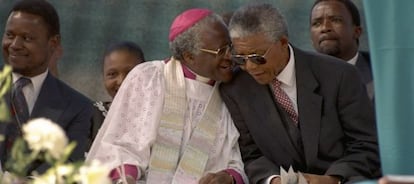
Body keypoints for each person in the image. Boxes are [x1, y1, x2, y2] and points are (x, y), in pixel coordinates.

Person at [220, 2, 380, 184]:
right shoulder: (236, 88)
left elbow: (366, 145)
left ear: (282, 42)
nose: (250, 67)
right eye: (240, 58)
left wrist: (333, 179)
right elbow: (250, 154)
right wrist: (273, 180)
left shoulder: (340, 75)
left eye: (258, 58)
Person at [87, 8, 247, 184]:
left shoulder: (233, 90)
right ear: (189, 56)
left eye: (230, 47)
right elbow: (121, 144)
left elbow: (236, 158)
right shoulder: (148, 78)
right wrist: (126, 177)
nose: (230, 56)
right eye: (221, 51)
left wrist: (228, 177)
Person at [0, 0, 93, 175]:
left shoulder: (77, 107)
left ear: (53, 43)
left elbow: (65, 169)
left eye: (27, 38)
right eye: (10, 35)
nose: (15, 45)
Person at [310, 0, 374, 100]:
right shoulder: (300, 76)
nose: (325, 28)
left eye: (336, 20)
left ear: (357, 32)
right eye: (316, 23)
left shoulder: (380, 72)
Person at [88, 41, 146, 149]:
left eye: (130, 73)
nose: (121, 81)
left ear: (146, 74)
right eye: (112, 74)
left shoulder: (157, 116)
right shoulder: (90, 116)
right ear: (104, 77)